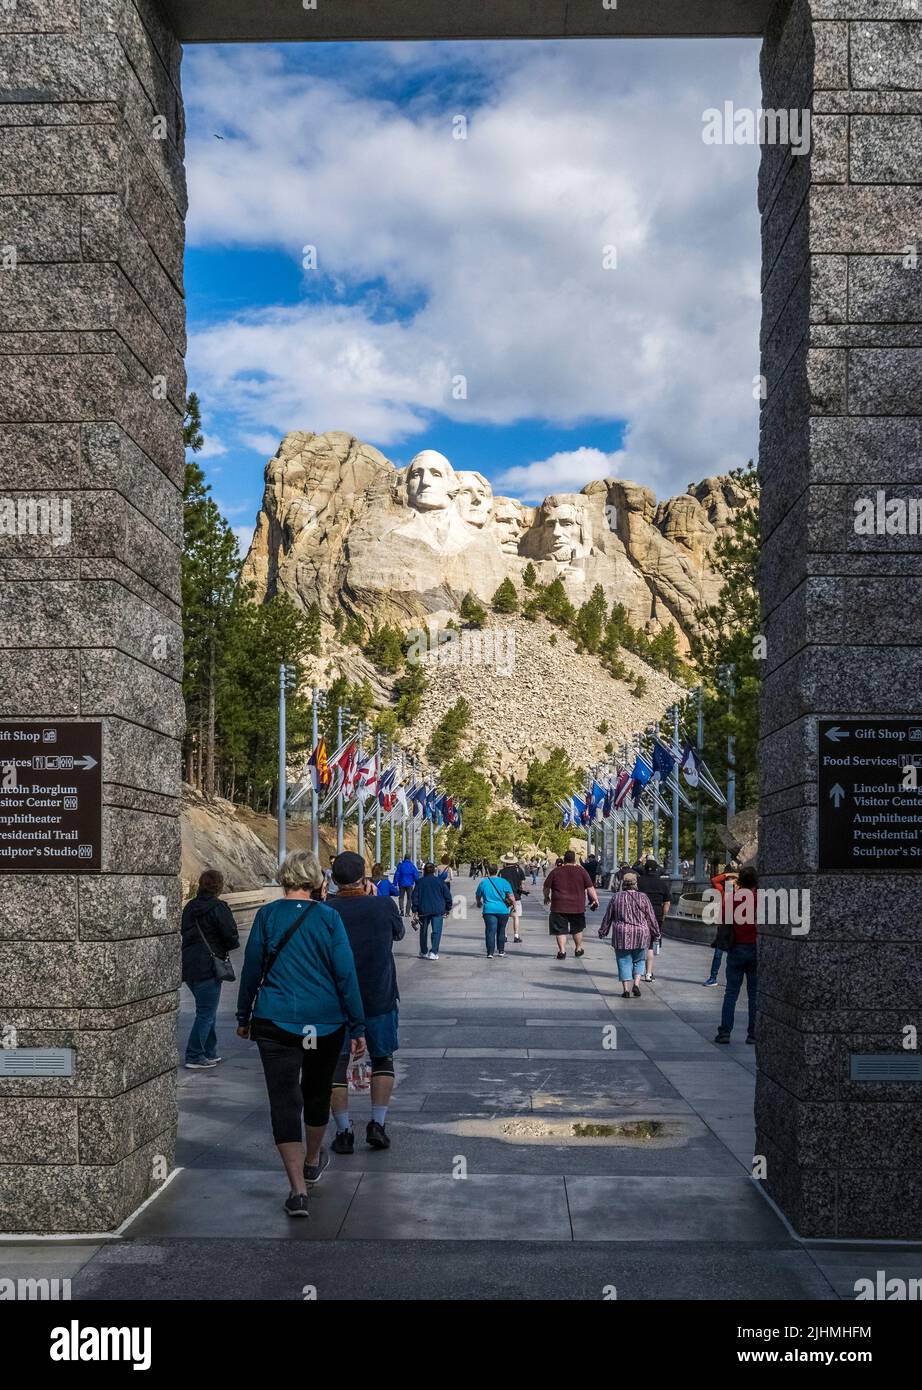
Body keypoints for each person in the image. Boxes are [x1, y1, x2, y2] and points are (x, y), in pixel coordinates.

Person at [235, 851, 366, 1218]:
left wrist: (244, 1014)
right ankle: (312, 1160)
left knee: (283, 1099)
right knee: (316, 1092)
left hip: (275, 1021)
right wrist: (357, 1025)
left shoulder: (267, 916)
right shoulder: (328, 918)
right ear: (317, 882)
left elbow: (252, 970)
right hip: (323, 1023)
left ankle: (296, 1190)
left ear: (284, 879)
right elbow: (346, 974)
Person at [327, 851, 406, 1151]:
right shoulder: (383, 905)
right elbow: (398, 933)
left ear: (333, 879)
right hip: (379, 996)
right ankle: (377, 1123)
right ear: (364, 877)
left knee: (336, 1065)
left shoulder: (326, 910)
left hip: (337, 1002)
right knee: (383, 1058)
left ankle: (344, 1131)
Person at [181, 868, 240, 1070]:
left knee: (207, 1010)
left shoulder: (190, 907)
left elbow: (184, 931)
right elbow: (231, 937)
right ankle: (195, 1054)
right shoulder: (219, 908)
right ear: (219, 886)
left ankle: (209, 1051)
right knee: (206, 1012)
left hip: (189, 966)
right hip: (209, 965)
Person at [598, 871, 661, 998]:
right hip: (641, 934)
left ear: (623, 883)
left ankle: (626, 990)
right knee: (639, 960)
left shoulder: (616, 897)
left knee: (623, 961)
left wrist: (603, 931)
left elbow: (608, 916)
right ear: (635, 884)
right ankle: (636, 984)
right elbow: (650, 917)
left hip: (622, 934)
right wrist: (656, 932)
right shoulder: (643, 897)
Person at [715, 866, 758, 1045]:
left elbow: (723, 921)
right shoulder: (761, 900)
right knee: (754, 994)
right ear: (756, 882)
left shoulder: (732, 899)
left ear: (740, 881)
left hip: (736, 949)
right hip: (755, 949)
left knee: (731, 992)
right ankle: (753, 1034)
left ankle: (725, 1032)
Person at [543, 850, 598, 960]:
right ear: (574, 860)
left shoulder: (556, 871)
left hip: (559, 905)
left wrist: (546, 896)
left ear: (564, 859)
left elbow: (546, 887)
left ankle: (562, 951)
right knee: (577, 929)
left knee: (560, 930)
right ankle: (578, 949)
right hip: (577, 906)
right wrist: (595, 899)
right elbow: (590, 887)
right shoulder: (581, 871)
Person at [637, 857, 671, 982]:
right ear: (656, 869)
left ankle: (637, 973)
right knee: (650, 945)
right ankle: (648, 974)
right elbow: (667, 902)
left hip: (640, 915)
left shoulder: (639, 881)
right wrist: (663, 915)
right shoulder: (662, 884)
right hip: (656, 916)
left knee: (639, 944)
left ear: (645, 869)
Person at [704, 867, 738, 986]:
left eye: (732, 882)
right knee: (718, 954)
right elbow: (714, 880)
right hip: (723, 928)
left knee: (732, 956)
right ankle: (713, 978)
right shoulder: (722, 891)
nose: (730, 884)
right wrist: (729, 874)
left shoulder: (740, 894)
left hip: (735, 928)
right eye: (728, 881)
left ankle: (732, 980)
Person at [411, 861, 453, 959]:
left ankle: (424, 951)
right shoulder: (440, 881)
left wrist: (414, 909)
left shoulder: (420, 882)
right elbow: (448, 896)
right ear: (434, 871)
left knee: (423, 931)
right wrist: (448, 908)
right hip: (438, 910)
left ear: (424, 871)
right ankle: (433, 952)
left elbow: (415, 897)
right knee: (436, 931)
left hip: (423, 910)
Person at [475, 868, 515, 958]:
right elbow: (511, 896)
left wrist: (478, 902)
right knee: (501, 930)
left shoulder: (484, 882)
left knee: (490, 931)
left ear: (489, 871)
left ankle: (490, 953)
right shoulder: (504, 882)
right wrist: (514, 906)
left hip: (489, 910)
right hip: (503, 910)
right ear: (497, 871)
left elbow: (478, 895)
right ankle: (501, 951)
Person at [498, 851, 528, 943]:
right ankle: (516, 936)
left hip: (505, 898)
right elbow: (522, 884)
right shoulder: (519, 870)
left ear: (505, 861)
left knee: (505, 917)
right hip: (516, 896)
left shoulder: (502, 872)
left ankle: (505, 936)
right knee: (516, 917)